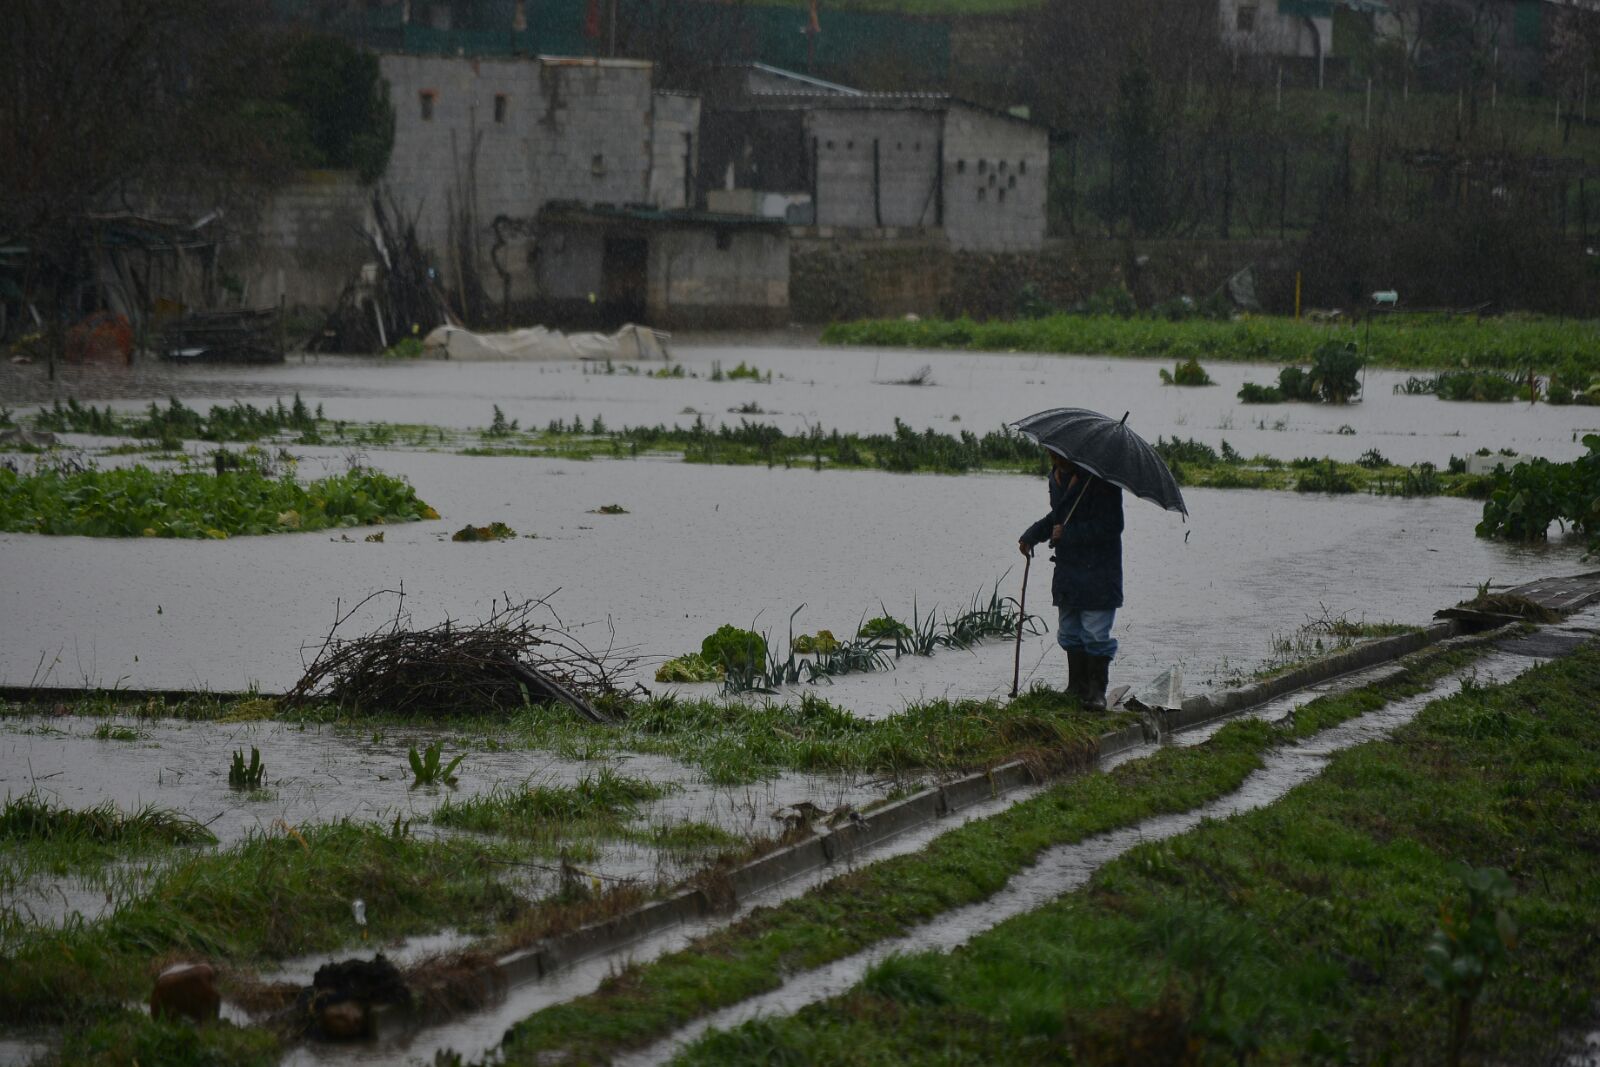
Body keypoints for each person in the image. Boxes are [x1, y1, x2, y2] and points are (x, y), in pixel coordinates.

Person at [1018, 450, 1124, 709]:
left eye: (1061, 457)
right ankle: (1076, 687)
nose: (1057, 461)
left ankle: (1097, 693)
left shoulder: (1101, 481)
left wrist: (1069, 534)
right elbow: (1057, 517)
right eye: (1053, 456)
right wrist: (1031, 535)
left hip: (1099, 571)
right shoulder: (1057, 478)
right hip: (1069, 571)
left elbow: (1112, 526)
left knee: (1095, 632)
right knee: (1069, 630)